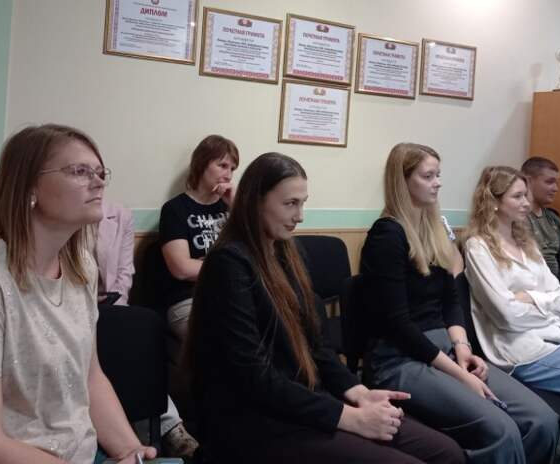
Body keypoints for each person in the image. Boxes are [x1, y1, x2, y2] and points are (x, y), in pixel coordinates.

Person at [184, 152, 465, 464]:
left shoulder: (286, 253)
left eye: (303, 203)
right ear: (255, 201)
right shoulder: (229, 264)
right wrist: (349, 418)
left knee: (447, 453)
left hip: (304, 402)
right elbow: (254, 377)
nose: (300, 215)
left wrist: (358, 392)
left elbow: (318, 348)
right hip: (256, 420)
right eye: (290, 204)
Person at [0, 124, 155, 464]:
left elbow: (90, 378)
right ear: (30, 186)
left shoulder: (82, 268)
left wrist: (132, 451)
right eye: (80, 171)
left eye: (100, 172)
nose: (99, 182)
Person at [360, 143, 558, 464]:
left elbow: (451, 299)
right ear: (402, 180)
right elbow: (398, 325)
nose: (438, 182)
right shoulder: (387, 235)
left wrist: (463, 348)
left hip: (445, 349)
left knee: (542, 420)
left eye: (438, 175)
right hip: (400, 360)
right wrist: (460, 374)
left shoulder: (434, 231)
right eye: (428, 176)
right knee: (500, 429)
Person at [464, 165, 560, 396]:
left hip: (556, 339)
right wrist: (546, 304)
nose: (527, 203)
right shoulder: (478, 247)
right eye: (517, 196)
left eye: (526, 196)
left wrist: (529, 297)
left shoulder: (527, 245)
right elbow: (506, 316)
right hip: (521, 351)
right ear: (494, 201)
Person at [94, 200, 198, 458]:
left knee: (132, 329)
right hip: (75, 308)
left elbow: (124, 274)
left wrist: (114, 305)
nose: (95, 183)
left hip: (111, 306)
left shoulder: (119, 215)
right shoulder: (56, 218)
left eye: (101, 178)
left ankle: (157, 432)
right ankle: (169, 426)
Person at [157, 135, 238, 341]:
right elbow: (182, 269)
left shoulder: (230, 208)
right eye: (222, 166)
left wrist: (236, 206)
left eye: (232, 169)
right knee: (225, 339)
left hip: (231, 293)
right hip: (189, 299)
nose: (228, 175)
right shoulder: (175, 209)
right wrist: (230, 267)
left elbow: (253, 256)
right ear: (202, 163)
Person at [521, 156, 560, 275]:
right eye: (549, 182)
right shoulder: (516, 217)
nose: (556, 188)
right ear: (528, 181)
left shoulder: (554, 219)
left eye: (556, 183)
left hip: (556, 282)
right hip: (530, 280)